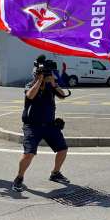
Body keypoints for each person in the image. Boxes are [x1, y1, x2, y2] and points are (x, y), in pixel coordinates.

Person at [12, 56, 69, 192]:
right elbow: (30, 96)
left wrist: (53, 83)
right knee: (29, 153)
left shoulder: (51, 85)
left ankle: (55, 173)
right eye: (42, 74)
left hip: (49, 125)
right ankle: (19, 178)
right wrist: (39, 81)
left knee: (63, 149)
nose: (46, 76)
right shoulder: (30, 84)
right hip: (32, 126)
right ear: (36, 74)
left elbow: (62, 95)